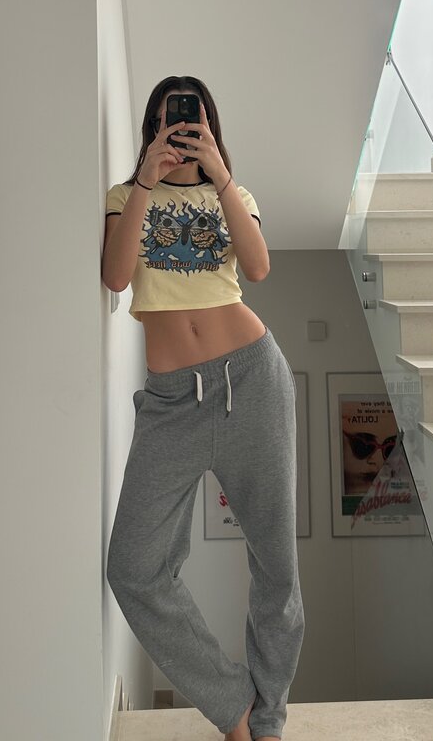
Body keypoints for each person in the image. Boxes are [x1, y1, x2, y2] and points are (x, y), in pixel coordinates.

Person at [102, 75, 305, 741]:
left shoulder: (234, 196)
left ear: (210, 128)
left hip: (252, 381)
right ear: (151, 129)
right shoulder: (125, 198)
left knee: (275, 565)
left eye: (192, 123)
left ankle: (266, 723)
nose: (181, 133)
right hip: (171, 405)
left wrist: (222, 178)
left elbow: (259, 268)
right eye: (169, 122)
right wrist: (145, 178)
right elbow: (116, 276)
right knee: (134, 567)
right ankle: (234, 705)